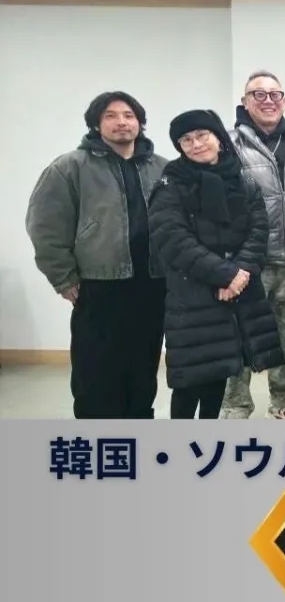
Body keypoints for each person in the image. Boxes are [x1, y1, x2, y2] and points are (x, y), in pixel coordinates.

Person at [26, 91, 169, 419]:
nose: (122, 122)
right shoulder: (70, 167)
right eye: (111, 115)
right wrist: (63, 277)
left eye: (129, 115)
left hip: (152, 283)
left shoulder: (162, 168)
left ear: (140, 123)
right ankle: (96, 436)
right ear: (96, 123)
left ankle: (137, 429)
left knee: (143, 365)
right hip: (99, 284)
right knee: (96, 370)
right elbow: (45, 226)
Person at [148, 110, 285, 419]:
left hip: (235, 293)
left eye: (202, 135)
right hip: (193, 295)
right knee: (189, 380)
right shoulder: (171, 184)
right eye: (186, 140)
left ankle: (208, 440)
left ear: (219, 139)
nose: (196, 144)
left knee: (220, 373)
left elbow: (259, 230)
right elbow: (173, 239)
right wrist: (226, 275)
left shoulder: (242, 180)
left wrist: (241, 273)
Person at [221, 70, 285, 419]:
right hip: (248, 262)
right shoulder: (228, 145)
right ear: (245, 102)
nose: (268, 100)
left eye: (275, 94)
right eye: (259, 94)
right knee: (239, 335)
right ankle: (235, 403)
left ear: (284, 101)